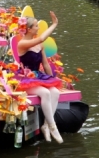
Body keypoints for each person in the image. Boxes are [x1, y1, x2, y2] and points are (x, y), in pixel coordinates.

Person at [16, 13, 64, 143]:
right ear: (29, 29)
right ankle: (53, 127)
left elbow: (46, 64)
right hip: (26, 77)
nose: (38, 28)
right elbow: (42, 38)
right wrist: (54, 24)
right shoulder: (23, 43)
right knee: (45, 92)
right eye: (36, 26)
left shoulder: (40, 46)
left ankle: (46, 125)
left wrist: (52, 79)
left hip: (38, 75)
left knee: (54, 91)